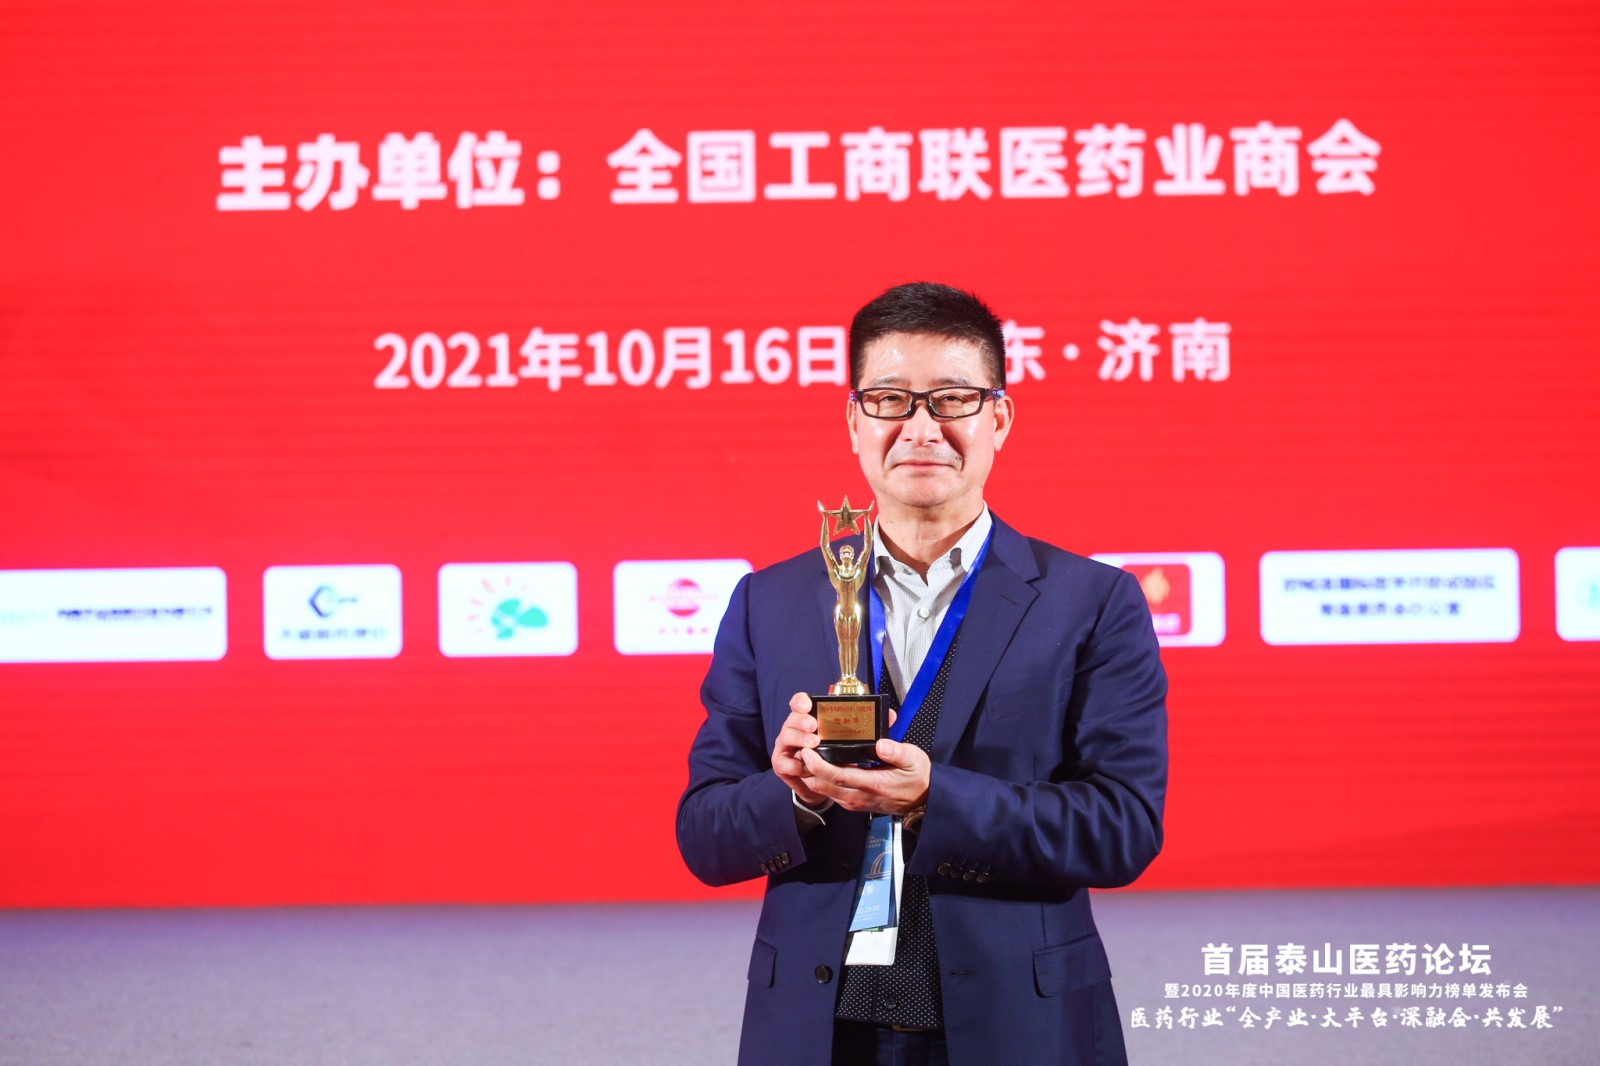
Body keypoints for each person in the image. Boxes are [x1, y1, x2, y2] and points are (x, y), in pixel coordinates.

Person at [677, 282, 1167, 1066]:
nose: (921, 428)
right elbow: (705, 835)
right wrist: (795, 795)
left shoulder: (1091, 603)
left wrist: (937, 799)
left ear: (999, 419)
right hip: (816, 1030)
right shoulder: (768, 603)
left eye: (953, 399)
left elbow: (1122, 830)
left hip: (1017, 1027)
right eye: (890, 400)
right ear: (854, 422)